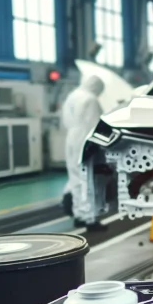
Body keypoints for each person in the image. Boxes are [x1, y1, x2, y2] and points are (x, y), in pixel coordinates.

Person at [61, 75, 106, 229]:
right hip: (85, 140)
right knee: (89, 180)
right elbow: (97, 124)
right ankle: (91, 220)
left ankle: (79, 216)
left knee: (75, 179)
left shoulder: (72, 96)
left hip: (71, 138)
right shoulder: (91, 99)